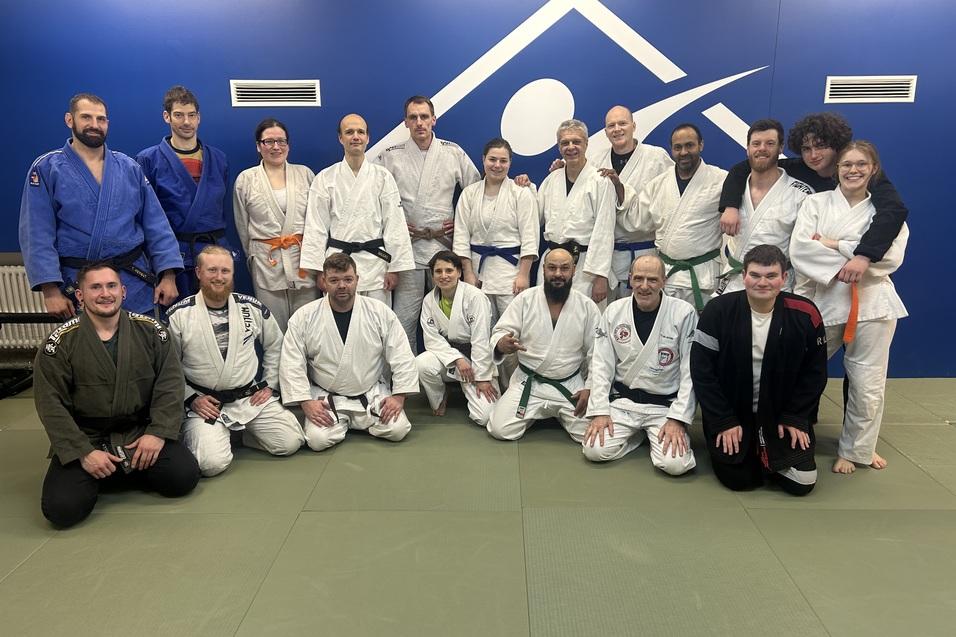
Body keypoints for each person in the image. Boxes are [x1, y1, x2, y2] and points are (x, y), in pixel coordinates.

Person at [33, 263, 199, 527]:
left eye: (111, 286)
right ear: (80, 295)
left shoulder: (152, 331)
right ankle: (112, 469)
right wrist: (83, 453)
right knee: (62, 511)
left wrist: (157, 433)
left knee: (182, 478)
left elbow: (170, 385)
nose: (105, 293)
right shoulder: (60, 342)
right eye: (95, 287)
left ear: (123, 292)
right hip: (88, 436)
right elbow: (50, 404)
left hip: (139, 432)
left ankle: (118, 469)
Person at [790, 141, 908, 474]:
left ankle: (857, 449)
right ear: (836, 169)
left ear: (873, 169)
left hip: (873, 304)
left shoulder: (886, 213)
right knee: (800, 372)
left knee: (867, 381)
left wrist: (833, 243)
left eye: (860, 164)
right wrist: (851, 256)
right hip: (824, 302)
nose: (853, 170)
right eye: (846, 165)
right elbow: (801, 250)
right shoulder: (815, 203)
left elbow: (890, 257)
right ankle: (790, 434)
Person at [19, 93, 181, 318]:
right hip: (79, 283)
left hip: (132, 281)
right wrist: (50, 290)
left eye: (101, 119)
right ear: (69, 120)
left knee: (143, 347)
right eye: (86, 117)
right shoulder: (47, 168)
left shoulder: (129, 167)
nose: (94, 125)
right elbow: (36, 233)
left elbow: (156, 223)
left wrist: (168, 274)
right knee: (88, 351)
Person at [691, 245, 828, 495]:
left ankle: (768, 452)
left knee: (803, 483)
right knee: (739, 480)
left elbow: (815, 373)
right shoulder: (718, 311)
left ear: (784, 278)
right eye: (755, 275)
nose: (762, 282)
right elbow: (702, 372)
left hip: (780, 413)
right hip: (734, 411)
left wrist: (797, 417)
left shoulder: (805, 314)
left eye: (771, 276)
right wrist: (723, 420)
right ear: (743, 275)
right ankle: (758, 452)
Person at [167, 247, 304, 477]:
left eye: (225, 271)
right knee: (211, 465)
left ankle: (242, 434)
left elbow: (276, 345)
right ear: (198, 272)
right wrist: (190, 398)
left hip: (248, 398)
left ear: (232, 273)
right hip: (205, 405)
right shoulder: (180, 315)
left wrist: (269, 384)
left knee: (290, 442)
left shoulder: (251, 307)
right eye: (212, 270)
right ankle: (209, 435)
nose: (219, 277)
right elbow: (167, 367)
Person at [279, 253, 418, 451]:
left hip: (371, 393)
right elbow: (291, 362)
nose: (342, 285)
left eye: (348, 279)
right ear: (323, 282)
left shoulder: (379, 312)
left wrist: (399, 397)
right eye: (334, 280)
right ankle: (353, 421)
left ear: (357, 281)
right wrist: (306, 402)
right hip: (328, 397)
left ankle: (352, 421)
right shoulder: (304, 317)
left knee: (398, 430)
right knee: (317, 441)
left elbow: (402, 355)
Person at [375, 95, 481, 351]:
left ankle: (453, 378)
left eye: (424, 117)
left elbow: (477, 193)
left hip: (444, 251)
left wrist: (462, 221)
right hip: (408, 251)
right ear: (406, 122)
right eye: (413, 117)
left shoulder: (452, 152)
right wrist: (397, 224)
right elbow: (373, 197)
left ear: (434, 119)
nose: (419, 122)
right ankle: (407, 381)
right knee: (404, 321)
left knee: (451, 320)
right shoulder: (390, 156)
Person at [584, 255, 697, 474]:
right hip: (624, 403)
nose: (644, 286)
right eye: (639, 279)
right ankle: (636, 435)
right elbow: (601, 365)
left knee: (675, 465)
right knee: (594, 451)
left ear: (664, 281)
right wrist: (600, 411)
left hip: (664, 406)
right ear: (630, 279)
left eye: (653, 280)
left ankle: (652, 434)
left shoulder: (683, 313)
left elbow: (690, 370)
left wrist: (678, 419)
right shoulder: (614, 311)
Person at [486, 249, 601, 443]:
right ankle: (536, 413)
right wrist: (501, 343)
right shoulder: (525, 299)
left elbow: (597, 353)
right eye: (552, 268)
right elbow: (501, 331)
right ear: (543, 270)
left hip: (569, 385)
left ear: (574, 271)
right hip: (529, 382)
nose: (558, 274)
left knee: (592, 438)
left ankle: (542, 414)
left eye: (564, 268)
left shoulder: (587, 306)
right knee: (500, 429)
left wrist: (590, 388)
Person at [301, 113, 414, 305]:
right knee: (338, 325)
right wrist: (319, 270)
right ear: (340, 138)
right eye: (349, 132)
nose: (355, 136)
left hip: (376, 265)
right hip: (337, 266)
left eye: (361, 132)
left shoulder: (383, 177)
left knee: (377, 323)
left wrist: (394, 267)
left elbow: (394, 224)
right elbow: (315, 227)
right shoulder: (325, 178)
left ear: (368, 138)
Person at [136, 86, 231, 296]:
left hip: (215, 252)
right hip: (174, 256)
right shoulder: (148, 159)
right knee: (178, 320)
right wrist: (165, 269)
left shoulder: (218, 159)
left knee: (220, 317)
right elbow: (147, 217)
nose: (186, 122)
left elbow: (220, 208)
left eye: (191, 115)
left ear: (199, 118)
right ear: (166, 117)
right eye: (178, 115)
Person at [625, 123, 726, 311]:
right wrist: (618, 189)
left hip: (702, 277)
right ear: (671, 150)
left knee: (700, 333)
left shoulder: (721, 180)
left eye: (690, 145)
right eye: (678, 147)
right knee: (667, 332)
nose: (684, 152)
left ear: (701, 145)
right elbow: (635, 219)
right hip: (666, 275)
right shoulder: (659, 183)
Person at [233, 118, 318, 331]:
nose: (276, 147)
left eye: (281, 141)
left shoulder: (305, 174)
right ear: (258, 146)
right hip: (266, 263)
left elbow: (317, 222)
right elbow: (243, 227)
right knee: (274, 331)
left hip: (303, 262)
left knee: (308, 330)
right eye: (268, 142)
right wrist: (255, 255)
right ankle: (276, 367)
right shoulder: (246, 180)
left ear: (288, 145)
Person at [717, 119, 812, 294]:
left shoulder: (802, 195)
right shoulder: (734, 190)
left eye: (770, 143)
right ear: (747, 149)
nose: (762, 148)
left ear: (781, 148)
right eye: (756, 143)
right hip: (735, 282)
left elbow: (806, 250)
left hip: (776, 285)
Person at [453, 137, 538, 321]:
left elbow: (530, 237)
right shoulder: (469, 193)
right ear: (483, 159)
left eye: (503, 161)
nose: (497, 165)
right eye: (492, 159)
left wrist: (524, 275)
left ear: (510, 163)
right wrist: (468, 273)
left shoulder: (520, 193)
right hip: (477, 271)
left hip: (511, 273)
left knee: (512, 329)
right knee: (480, 327)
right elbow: (461, 237)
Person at [593, 106, 673, 299]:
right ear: (605, 132)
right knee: (613, 315)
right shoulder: (596, 160)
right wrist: (561, 169)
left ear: (633, 126)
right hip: (611, 255)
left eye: (622, 123)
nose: (617, 129)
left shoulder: (656, 157)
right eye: (611, 125)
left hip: (646, 251)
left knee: (646, 309)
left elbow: (673, 196)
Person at [537, 119, 615, 304]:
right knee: (547, 316)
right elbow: (534, 218)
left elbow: (605, 231)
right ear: (558, 147)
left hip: (586, 267)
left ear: (586, 144)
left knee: (585, 322)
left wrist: (600, 276)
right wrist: (522, 188)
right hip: (552, 261)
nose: (570, 147)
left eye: (576, 142)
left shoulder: (600, 181)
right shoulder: (551, 180)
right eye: (565, 143)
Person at [416, 251, 497, 426]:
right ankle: (440, 396)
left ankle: (475, 385)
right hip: (452, 359)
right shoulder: (429, 300)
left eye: (449, 270)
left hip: (476, 360)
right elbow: (432, 339)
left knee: (485, 417)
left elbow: (481, 338)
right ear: (432, 274)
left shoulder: (475, 297)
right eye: (438, 271)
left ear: (459, 272)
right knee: (422, 364)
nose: (443, 276)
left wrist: (483, 378)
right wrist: (457, 358)